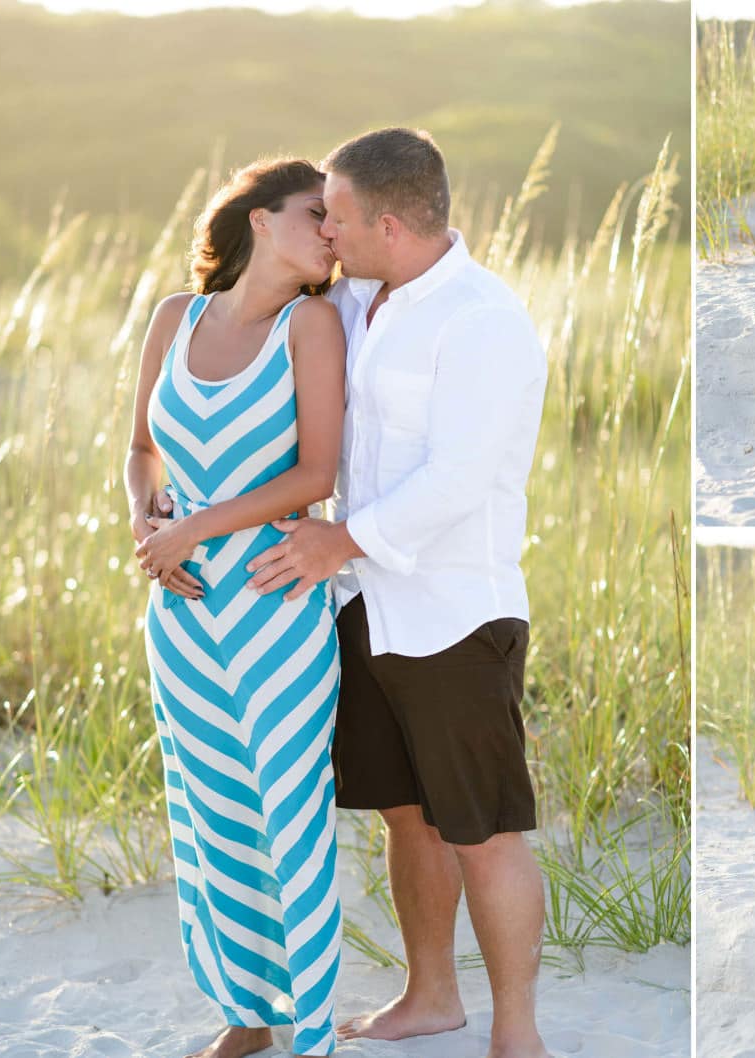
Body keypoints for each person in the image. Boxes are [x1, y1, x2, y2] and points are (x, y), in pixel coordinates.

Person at [240, 127, 551, 1058]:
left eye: (334, 216)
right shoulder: (358, 301)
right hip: (364, 607)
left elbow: (460, 478)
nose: (324, 232)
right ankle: (430, 996)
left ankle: (518, 1033)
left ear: (385, 221)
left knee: (483, 829)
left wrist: (340, 539)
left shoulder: (483, 321)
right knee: (406, 813)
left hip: (458, 612)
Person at [125, 158, 348, 1058]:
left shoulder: (314, 324)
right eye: (314, 213)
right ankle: (247, 1015)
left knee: (288, 812)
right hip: (180, 614)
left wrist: (198, 527)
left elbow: (317, 475)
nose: (331, 232)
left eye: (338, 220)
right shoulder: (174, 318)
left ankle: (311, 1030)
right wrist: (145, 522)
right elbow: (141, 446)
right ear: (259, 220)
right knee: (211, 815)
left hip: (275, 604)